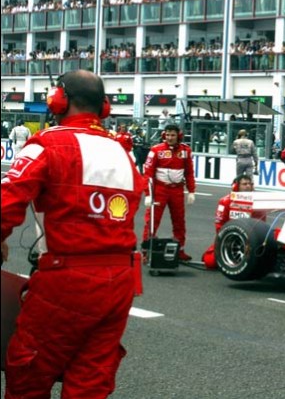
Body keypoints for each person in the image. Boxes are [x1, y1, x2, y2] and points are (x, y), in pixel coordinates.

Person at [0, 70, 146, 398]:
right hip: (120, 281)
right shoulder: (123, 152)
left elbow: (5, 202)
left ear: (58, 100)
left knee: (28, 373)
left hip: (66, 280)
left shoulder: (47, 144)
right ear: (104, 107)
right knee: (90, 381)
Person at [142, 123, 196, 261]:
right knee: (152, 221)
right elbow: (148, 173)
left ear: (179, 135)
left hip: (177, 190)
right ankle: (146, 251)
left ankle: (180, 250)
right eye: (167, 135)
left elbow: (189, 172)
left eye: (173, 135)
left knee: (179, 221)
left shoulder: (186, 151)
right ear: (163, 135)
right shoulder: (156, 150)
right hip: (160, 189)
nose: (170, 137)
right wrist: (148, 194)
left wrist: (191, 191)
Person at [202, 174, 257, 269]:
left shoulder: (258, 201)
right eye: (244, 184)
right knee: (210, 262)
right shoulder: (225, 201)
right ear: (236, 186)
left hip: (253, 239)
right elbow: (219, 224)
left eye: (249, 184)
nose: (248, 186)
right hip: (231, 238)